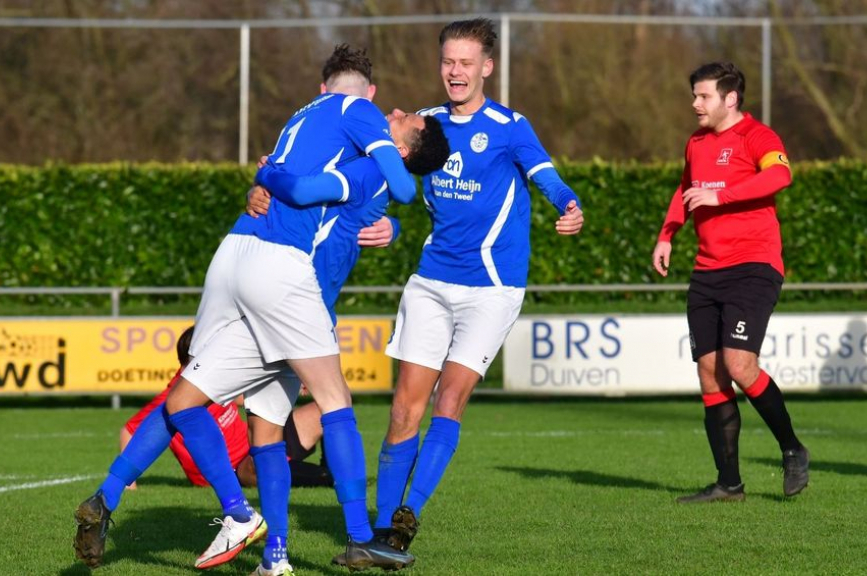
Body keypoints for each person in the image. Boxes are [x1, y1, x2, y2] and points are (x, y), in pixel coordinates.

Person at [73, 45, 444, 574]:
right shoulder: (359, 148)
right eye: (397, 109)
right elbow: (330, 190)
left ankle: (140, 506)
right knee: (316, 408)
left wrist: (271, 181)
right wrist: (269, 184)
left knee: (225, 414)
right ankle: (343, 539)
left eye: (408, 118)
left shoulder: (354, 151)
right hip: (288, 291)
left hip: (267, 280)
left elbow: (351, 192)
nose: (399, 112)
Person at [369, 17, 584, 558]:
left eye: (466, 62)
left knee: (451, 398)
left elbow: (547, 176)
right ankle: (376, 534)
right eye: (448, 62)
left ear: (487, 67)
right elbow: (381, 187)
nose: (455, 72)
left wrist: (569, 205)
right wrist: (387, 224)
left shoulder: (511, 126)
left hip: (492, 288)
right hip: (431, 283)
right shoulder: (425, 123)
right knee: (403, 409)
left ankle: (405, 518)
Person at [650, 61, 809, 503]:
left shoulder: (758, 137)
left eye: (703, 96)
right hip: (707, 271)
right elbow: (684, 189)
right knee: (709, 372)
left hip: (754, 266)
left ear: (730, 99)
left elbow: (781, 175)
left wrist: (721, 195)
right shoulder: (696, 142)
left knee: (739, 365)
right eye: (694, 96)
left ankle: (793, 449)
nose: (695, 104)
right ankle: (729, 484)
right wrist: (667, 235)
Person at [119, 326, 333, 490]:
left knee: (323, 408)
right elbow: (129, 430)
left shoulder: (216, 379)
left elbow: (244, 395)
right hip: (238, 468)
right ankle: (327, 478)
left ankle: (332, 468)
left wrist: (296, 380)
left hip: (254, 445)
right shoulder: (173, 399)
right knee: (261, 461)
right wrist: (128, 483)